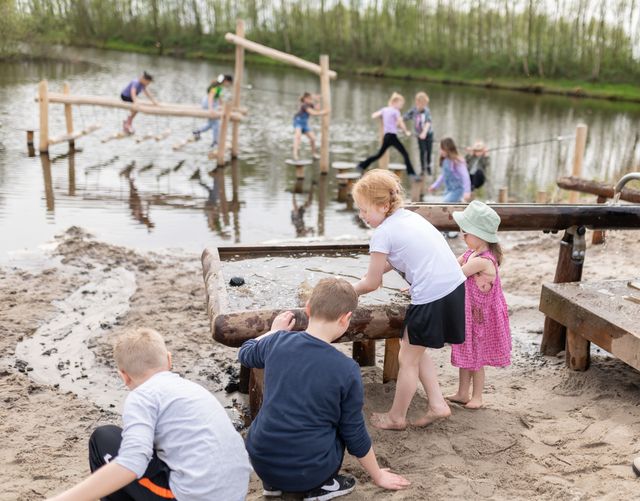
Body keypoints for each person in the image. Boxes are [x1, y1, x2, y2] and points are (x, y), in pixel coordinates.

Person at [239, 278, 410, 499]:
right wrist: (377, 475)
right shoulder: (346, 369)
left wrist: (274, 331)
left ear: (308, 309)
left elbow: (245, 352)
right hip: (307, 471)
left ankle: (273, 485)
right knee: (340, 423)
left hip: (261, 461)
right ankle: (319, 487)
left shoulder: (277, 342)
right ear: (346, 318)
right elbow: (354, 433)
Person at [46, 328, 251, 501]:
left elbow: (131, 464)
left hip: (193, 496)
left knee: (103, 438)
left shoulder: (142, 396)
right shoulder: (191, 389)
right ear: (169, 360)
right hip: (235, 492)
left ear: (124, 376)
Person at [352, 170, 466, 430]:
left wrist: (350, 290)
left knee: (408, 359)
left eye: (364, 210)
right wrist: (375, 272)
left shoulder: (382, 233)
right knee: (415, 346)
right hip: (453, 285)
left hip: (432, 294)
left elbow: (371, 283)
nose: (362, 216)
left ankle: (396, 417)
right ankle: (437, 404)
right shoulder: (408, 217)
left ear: (382, 206)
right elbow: (404, 255)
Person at [448, 201, 511, 409]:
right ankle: (462, 392)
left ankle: (477, 396)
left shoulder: (483, 261)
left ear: (480, 235)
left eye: (465, 233)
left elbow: (455, 274)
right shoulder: (469, 254)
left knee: (477, 359)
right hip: (470, 314)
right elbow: (450, 264)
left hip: (482, 317)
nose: (462, 236)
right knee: (467, 354)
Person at [357, 92, 418, 180]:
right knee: (405, 154)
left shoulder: (385, 110)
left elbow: (374, 115)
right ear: (394, 102)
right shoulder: (396, 111)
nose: (401, 106)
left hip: (387, 136)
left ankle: (361, 165)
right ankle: (411, 173)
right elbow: (401, 122)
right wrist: (406, 132)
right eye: (401, 104)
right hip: (392, 136)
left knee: (378, 154)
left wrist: (382, 117)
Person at [192, 74, 233, 148]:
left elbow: (219, 99)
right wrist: (211, 109)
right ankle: (215, 142)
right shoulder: (216, 87)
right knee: (216, 124)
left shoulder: (219, 87)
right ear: (226, 81)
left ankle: (197, 131)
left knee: (212, 124)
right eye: (229, 83)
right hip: (208, 104)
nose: (229, 85)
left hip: (212, 104)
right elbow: (210, 97)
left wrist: (223, 107)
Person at [429, 137, 472, 203]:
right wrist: (435, 186)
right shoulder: (445, 161)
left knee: (445, 203)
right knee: (444, 205)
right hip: (448, 190)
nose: (440, 151)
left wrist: (467, 191)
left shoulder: (457, 161)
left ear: (448, 149)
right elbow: (443, 175)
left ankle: (460, 201)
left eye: (442, 149)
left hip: (457, 190)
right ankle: (459, 203)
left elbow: (465, 176)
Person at [403, 91, 434, 175]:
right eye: (423, 104)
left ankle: (428, 166)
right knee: (422, 151)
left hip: (428, 134)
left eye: (425, 104)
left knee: (429, 151)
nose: (424, 106)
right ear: (417, 102)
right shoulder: (413, 111)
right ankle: (423, 169)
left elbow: (428, 122)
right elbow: (403, 118)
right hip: (419, 135)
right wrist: (404, 129)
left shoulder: (427, 111)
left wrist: (424, 133)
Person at [292, 92, 329, 160]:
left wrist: (318, 100)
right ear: (305, 99)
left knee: (313, 138)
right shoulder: (304, 105)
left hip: (305, 124)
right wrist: (324, 112)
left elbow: (317, 109)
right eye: (310, 99)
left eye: (311, 99)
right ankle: (295, 155)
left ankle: (313, 154)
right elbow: (313, 113)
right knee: (298, 137)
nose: (311, 100)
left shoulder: (310, 104)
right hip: (298, 122)